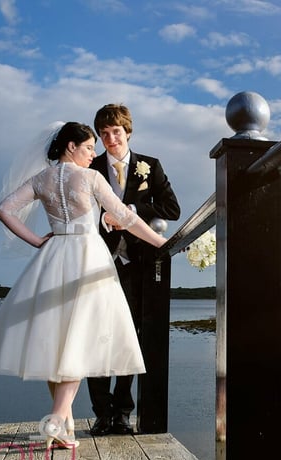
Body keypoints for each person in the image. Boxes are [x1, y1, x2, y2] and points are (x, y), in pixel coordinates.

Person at [0, 121, 168, 449]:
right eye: (89, 147)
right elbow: (127, 217)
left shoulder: (41, 179)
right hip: (87, 257)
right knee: (81, 337)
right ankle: (58, 418)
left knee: (56, 339)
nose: (94, 153)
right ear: (70, 146)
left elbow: (4, 210)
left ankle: (66, 426)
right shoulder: (90, 177)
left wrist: (36, 241)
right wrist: (160, 241)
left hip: (52, 255)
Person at [87, 104, 180, 436]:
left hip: (136, 266)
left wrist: (130, 209)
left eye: (116, 131)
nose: (111, 138)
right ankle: (101, 413)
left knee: (129, 336)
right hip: (97, 262)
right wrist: (101, 216)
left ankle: (123, 412)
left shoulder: (149, 166)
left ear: (128, 131)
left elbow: (172, 208)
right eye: (104, 133)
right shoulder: (91, 166)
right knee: (95, 337)